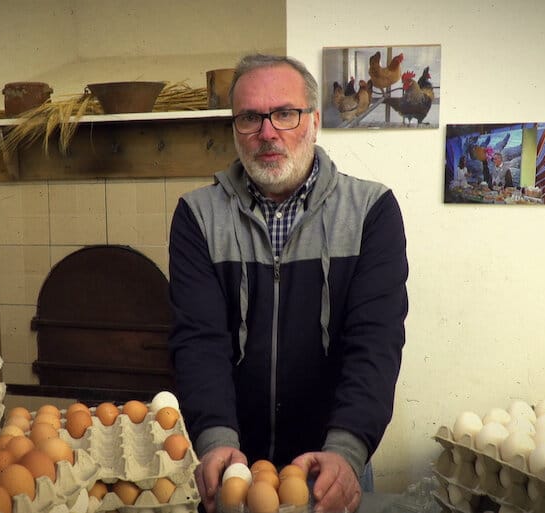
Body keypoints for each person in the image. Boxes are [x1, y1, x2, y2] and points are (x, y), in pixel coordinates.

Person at [167, 54, 409, 513]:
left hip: (330, 461)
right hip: (232, 461)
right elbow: (199, 342)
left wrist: (347, 451)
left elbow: (374, 343)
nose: (267, 132)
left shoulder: (371, 212)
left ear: (314, 122)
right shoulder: (198, 216)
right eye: (249, 118)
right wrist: (216, 439)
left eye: (285, 113)